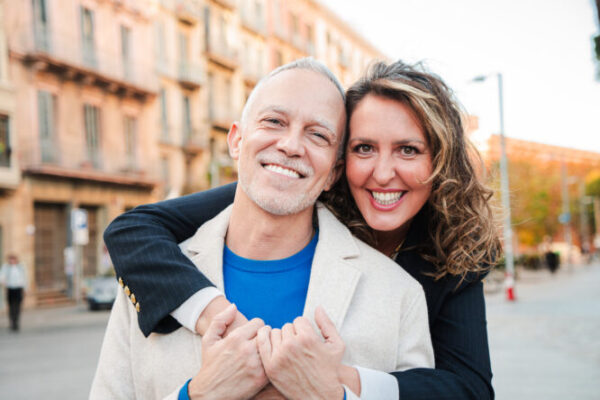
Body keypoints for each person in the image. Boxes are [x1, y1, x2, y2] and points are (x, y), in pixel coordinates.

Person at [104, 60, 500, 399]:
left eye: (408, 150)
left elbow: (469, 388)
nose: (382, 173)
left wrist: (336, 384)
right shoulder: (167, 270)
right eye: (364, 148)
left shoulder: (434, 269)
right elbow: (135, 227)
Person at [0, 254, 28, 331]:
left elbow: (25, 278)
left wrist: (25, 289)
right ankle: (12, 322)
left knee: (18, 306)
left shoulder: (21, 267)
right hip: (10, 288)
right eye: (10, 259)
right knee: (11, 306)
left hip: (18, 288)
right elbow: (1, 276)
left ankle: (16, 322)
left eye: (13, 259)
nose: (12, 261)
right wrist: (3, 282)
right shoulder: (6, 267)